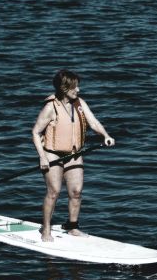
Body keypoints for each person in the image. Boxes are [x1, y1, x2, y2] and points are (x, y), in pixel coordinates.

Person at [32, 70, 114, 242]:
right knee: (53, 192)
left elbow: (93, 122)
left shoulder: (79, 103)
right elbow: (35, 132)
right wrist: (42, 157)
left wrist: (105, 135)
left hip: (74, 153)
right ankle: (45, 229)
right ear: (64, 88)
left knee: (76, 192)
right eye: (75, 87)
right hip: (52, 154)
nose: (78, 90)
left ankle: (72, 226)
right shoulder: (50, 107)